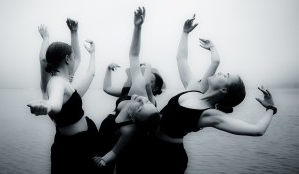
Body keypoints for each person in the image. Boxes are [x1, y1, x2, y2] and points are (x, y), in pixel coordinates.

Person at [149, 15, 278, 174]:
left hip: (168, 158)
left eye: (226, 76)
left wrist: (271, 107)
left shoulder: (209, 115)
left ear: (224, 90)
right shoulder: (193, 89)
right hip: (148, 146)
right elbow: (181, 59)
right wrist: (185, 33)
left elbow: (257, 130)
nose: (221, 73)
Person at [93, 7, 160, 174]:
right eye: (145, 99)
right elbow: (134, 55)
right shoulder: (137, 92)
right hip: (107, 132)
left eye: (141, 103)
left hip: (127, 146)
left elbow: (115, 151)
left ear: (132, 115)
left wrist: (103, 160)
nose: (142, 98)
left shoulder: (129, 130)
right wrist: (138, 27)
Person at [28, 18, 99, 174]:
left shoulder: (66, 84)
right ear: (67, 59)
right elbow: (55, 102)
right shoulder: (56, 83)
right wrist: (46, 106)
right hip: (73, 149)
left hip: (83, 141)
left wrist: (75, 33)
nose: (76, 60)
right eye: (72, 57)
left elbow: (90, 73)